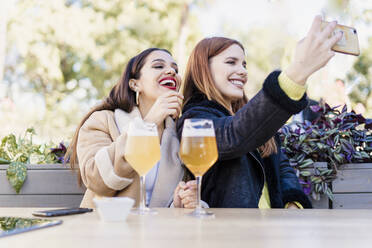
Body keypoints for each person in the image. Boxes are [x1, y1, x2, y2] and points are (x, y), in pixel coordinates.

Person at [176, 16, 343, 208]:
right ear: (203, 68)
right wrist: (298, 71)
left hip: (272, 231)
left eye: (244, 65)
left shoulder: (251, 118)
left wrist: (293, 203)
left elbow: (282, 166)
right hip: (230, 232)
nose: (242, 71)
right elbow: (234, 135)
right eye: (231, 62)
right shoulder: (195, 118)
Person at [65, 48, 197, 209]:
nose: (171, 71)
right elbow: (96, 179)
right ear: (134, 84)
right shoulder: (103, 121)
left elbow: (171, 201)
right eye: (158, 66)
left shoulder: (180, 135)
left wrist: (180, 202)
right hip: (108, 228)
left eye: (175, 69)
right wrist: (148, 124)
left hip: (160, 231)